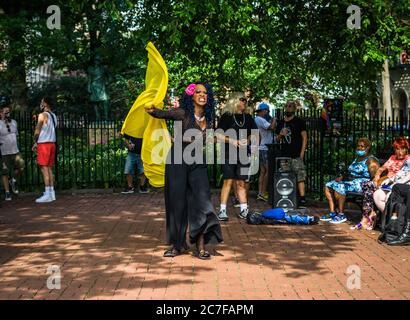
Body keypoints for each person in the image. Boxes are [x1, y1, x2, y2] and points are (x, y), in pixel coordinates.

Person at [145, 82, 223, 259]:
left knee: (202, 203)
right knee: (177, 203)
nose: (202, 95)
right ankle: (177, 245)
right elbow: (160, 113)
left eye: (205, 93)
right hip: (177, 161)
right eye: (198, 92)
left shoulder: (209, 119)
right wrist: (150, 107)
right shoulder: (182, 113)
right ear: (192, 96)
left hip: (197, 162)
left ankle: (201, 245)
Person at [352, 137, 410, 230]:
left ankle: (374, 216)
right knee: (368, 185)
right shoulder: (392, 158)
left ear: (406, 149)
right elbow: (382, 168)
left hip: (397, 183)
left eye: (402, 149)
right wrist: (376, 176)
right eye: (397, 149)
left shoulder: (408, 159)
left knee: (374, 190)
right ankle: (368, 215)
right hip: (386, 181)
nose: (400, 151)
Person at [216, 92, 258, 221]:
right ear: (235, 101)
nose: (245, 102)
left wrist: (249, 140)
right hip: (229, 153)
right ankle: (222, 211)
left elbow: (254, 133)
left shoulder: (248, 118)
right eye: (242, 99)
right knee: (228, 181)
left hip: (244, 154)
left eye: (246, 100)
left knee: (241, 182)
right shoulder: (227, 117)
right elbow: (218, 135)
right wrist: (233, 141)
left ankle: (244, 210)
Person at [321, 138, 380, 224]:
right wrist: (342, 177)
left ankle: (341, 214)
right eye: (358, 146)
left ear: (367, 148)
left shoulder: (371, 160)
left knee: (340, 187)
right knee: (329, 185)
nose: (359, 148)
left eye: (362, 146)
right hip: (351, 181)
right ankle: (333, 212)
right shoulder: (357, 158)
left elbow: (374, 176)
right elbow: (350, 172)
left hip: (362, 183)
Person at [274, 100, 308, 206]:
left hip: (296, 154)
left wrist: (302, 153)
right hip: (284, 155)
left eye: (290, 106)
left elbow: (305, 137)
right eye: (287, 106)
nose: (288, 108)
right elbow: (276, 140)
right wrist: (280, 134)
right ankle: (287, 198)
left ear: (294, 108)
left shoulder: (299, 121)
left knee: (300, 176)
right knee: (285, 176)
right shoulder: (281, 123)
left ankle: (302, 199)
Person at [32, 97, 57, 203]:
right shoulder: (54, 116)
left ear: (45, 103)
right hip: (52, 143)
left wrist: (35, 142)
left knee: (44, 169)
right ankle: (51, 193)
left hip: (44, 144)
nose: (40, 103)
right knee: (49, 169)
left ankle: (47, 194)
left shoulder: (42, 115)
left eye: (42, 102)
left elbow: (37, 130)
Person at [0, 103, 24, 201]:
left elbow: (15, 135)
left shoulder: (14, 122)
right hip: (4, 152)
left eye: (8, 112)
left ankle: (13, 180)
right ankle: (7, 192)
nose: (7, 113)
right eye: (5, 112)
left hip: (15, 150)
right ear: (1, 113)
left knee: (21, 166)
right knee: (5, 172)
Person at [254, 102, 276, 202]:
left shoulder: (257, 119)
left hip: (261, 147)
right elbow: (271, 127)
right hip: (265, 148)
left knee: (263, 171)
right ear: (263, 111)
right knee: (267, 170)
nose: (268, 113)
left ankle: (260, 193)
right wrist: (274, 120)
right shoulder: (260, 119)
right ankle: (262, 192)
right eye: (267, 111)